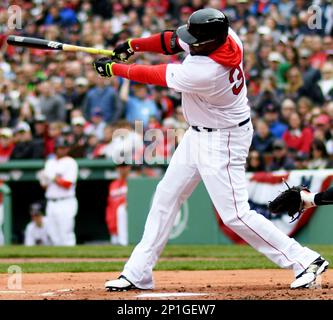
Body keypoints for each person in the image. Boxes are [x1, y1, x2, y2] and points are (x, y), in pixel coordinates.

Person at [93, 8, 328, 291]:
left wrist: (115, 69)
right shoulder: (227, 37)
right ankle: (138, 272)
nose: (189, 42)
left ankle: (304, 260)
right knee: (166, 197)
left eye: (195, 40)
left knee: (236, 215)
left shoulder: (207, 72)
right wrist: (134, 45)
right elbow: (170, 41)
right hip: (199, 134)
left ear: (208, 42)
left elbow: (155, 74)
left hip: (223, 140)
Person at [38, 136, 78, 246]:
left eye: (64, 147)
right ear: (55, 148)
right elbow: (45, 187)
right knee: (53, 234)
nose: (62, 150)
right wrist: (43, 179)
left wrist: (53, 177)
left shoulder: (70, 162)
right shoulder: (50, 162)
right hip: (51, 202)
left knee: (66, 234)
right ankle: (59, 260)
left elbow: (68, 184)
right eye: (60, 147)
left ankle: (71, 260)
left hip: (66, 202)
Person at [105, 163, 131, 246]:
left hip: (128, 228)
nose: (122, 169)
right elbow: (110, 205)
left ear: (129, 167)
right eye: (120, 167)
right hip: (114, 227)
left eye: (124, 166)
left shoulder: (133, 182)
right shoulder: (113, 185)